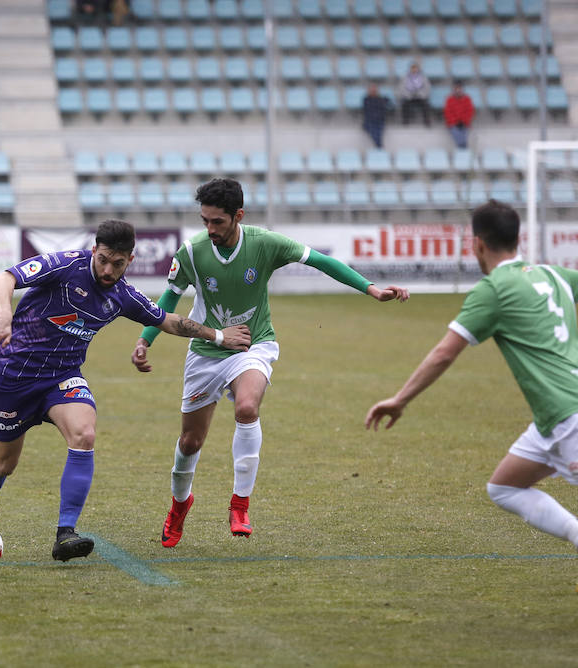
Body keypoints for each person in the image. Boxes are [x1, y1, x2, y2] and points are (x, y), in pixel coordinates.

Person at [365, 199, 578, 595]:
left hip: (574, 415)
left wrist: (400, 399)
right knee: (504, 487)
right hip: (559, 416)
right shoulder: (550, 273)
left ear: (478, 243)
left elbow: (445, 352)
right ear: (517, 238)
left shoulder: (494, 288)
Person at [131, 178, 409, 548]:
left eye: (217, 222)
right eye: (205, 221)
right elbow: (169, 297)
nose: (210, 229)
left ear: (238, 216)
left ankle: (240, 504)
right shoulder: (193, 251)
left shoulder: (265, 243)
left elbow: (322, 261)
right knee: (191, 440)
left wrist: (371, 289)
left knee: (247, 407)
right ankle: (179, 506)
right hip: (206, 351)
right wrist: (144, 340)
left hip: (254, 344)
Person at [0, 219, 250, 562]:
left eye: (117, 263)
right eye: (103, 259)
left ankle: (65, 534)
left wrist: (220, 336)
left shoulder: (122, 295)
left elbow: (165, 319)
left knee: (84, 434)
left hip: (62, 378)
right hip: (13, 377)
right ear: (94, 251)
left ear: (130, 261)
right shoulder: (65, 266)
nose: (108, 269)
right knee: (4, 465)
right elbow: (4, 278)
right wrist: (4, 313)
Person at [443, 80, 475, 149]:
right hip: (453, 124)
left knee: (464, 132)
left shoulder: (467, 99)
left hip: (464, 123)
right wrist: (456, 122)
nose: (458, 90)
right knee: (455, 132)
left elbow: (469, 112)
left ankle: (462, 148)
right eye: (456, 88)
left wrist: (463, 121)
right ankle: (463, 147)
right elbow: (448, 113)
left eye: (459, 88)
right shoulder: (449, 99)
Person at [398, 62, 431, 126]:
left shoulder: (423, 77)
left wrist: (421, 94)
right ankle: (405, 121)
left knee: (426, 104)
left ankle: (426, 121)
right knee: (404, 103)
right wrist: (408, 94)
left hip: (420, 96)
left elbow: (427, 87)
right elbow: (401, 88)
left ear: (418, 69)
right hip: (409, 96)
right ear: (410, 69)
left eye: (415, 68)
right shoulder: (405, 77)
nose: (414, 69)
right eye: (412, 68)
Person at [362, 83, 392, 149]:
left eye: (374, 90)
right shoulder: (366, 100)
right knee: (374, 131)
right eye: (372, 90)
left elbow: (388, 104)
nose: (373, 91)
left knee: (378, 132)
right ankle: (379, 146)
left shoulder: (380, 99)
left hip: (379, 121)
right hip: (370, 121)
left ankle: (379, 146)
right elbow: (368, 111)